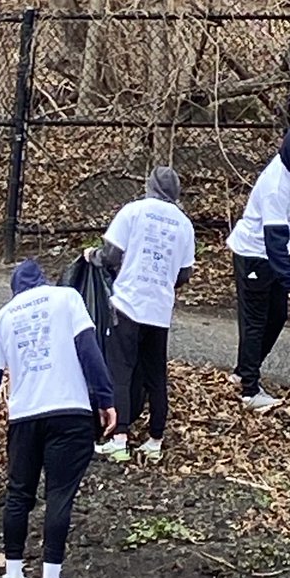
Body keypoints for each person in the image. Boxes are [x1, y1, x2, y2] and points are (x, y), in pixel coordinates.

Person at [0, 259, 115, 578]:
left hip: (23, 417)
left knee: (19, 494)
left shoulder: (3, 317)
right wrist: (106, 397)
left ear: (16, 288)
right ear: (44, 280)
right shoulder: (66, 298)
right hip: (68, 411)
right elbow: (88, 349)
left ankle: (13, 575)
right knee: (59, 494)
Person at [84, 166, 196, 463]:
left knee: (119, 371)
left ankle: (118, 438)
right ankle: (155, 439)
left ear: (150, 186)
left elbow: (110, 255)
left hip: (128, 304)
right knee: (155, 374)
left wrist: (92, 257)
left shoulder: (133, 212)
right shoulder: (184, 224)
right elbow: (184, 273)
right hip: (159, 310)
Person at [228, 126, 290, 411]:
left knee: (277, 316)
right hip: (254, 253)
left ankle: (244, 370)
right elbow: (273, 240)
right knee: (255, 321)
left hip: (274, 253)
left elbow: (287, 229)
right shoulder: (275, 186)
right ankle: (249, 390)